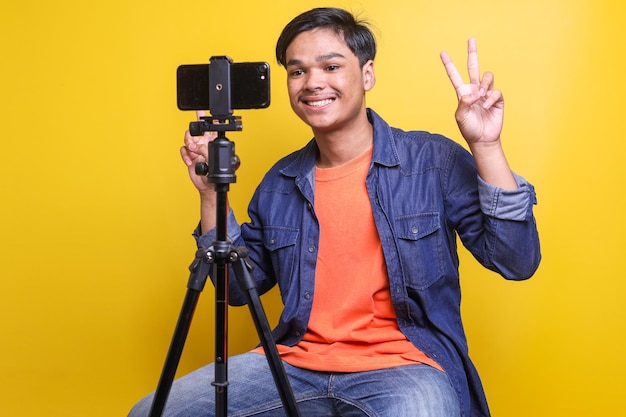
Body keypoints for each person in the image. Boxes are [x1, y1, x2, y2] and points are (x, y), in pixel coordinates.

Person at [129, 7, 540, 417]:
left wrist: (486, 147)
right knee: (151, 412)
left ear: (367, 74)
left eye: (330, 66)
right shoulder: (280, 181)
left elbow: (516, 260)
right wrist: (209, 195)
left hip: (405, 366)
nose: (313, 83)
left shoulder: (431, 161)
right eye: (297, 71)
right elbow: (237, 289)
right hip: (295, 364)